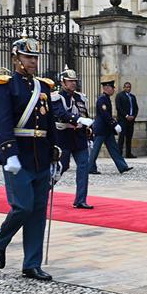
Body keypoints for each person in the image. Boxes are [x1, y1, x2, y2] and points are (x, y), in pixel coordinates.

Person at [0, 36, 63, 281]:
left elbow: (49, 122)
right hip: (18, 156)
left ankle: (31, 264)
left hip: (40, 155)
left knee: (38, 211)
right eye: (28, 57)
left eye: (35, 57)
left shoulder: (44, 87)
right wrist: (9, 152)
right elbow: (2, 121)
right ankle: (0, 239)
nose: (33, 61)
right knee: (23, 206)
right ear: (15, 58)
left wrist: (56, 153)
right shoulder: (5, 85)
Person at [50, 69, 96, 209]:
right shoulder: (56, 97)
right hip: (63, 136)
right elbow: (60, 113)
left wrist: (90, 132)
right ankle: (41, 191)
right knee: (62, 167)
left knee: (83, 166)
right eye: (70, 81)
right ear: (63, 82)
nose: (73, 84)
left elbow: (85, 115)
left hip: (79, 137)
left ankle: (80, 199)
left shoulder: (80, 97)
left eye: (74, 81)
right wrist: (78, 119)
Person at [89, 76, 132, 175]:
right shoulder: (102, 99)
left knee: (114, 149)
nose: (113, 90)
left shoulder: (106, 99)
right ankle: (90, 168)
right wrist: (114, 124)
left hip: (107, 129)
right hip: (101, 129)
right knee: (95, 150)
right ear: (107, 88)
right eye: (112, 88)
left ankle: (122, 166)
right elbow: (105, 115)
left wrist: (113, 125)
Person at [115, 81, 139, 158]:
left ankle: (128, 153)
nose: (128, 88)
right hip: (123, 120)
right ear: (124, 87)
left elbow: (136, 108)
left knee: (129, 137)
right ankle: (119, 153)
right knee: (121, 137)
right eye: (127, 87)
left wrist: (133, 116)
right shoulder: (119, 96)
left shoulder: (132, 97)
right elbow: (119, 108)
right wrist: (126, 116)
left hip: (131, 120)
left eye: (129, 87)